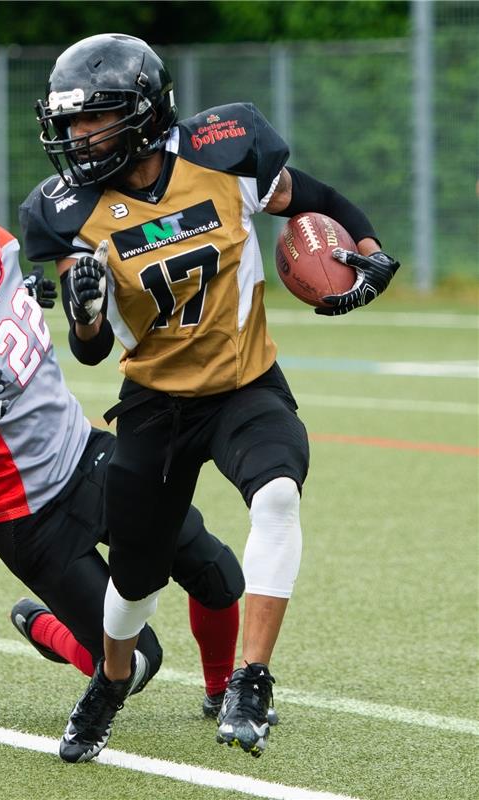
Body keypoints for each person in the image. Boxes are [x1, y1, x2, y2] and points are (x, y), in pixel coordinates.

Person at [20, 33, 400, 762]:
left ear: (139, 113)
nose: (76, 136)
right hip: (153, 403)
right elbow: (91, 350)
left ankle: (250, 680)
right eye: (69, 122)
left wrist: (370, 252)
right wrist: (87, 313)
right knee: (133, 578)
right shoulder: (66, 212)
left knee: (278, 494)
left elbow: (314, 198)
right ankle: (111, 678)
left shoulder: (222, 153)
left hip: (242, 386)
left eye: (91, 119)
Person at [0, 176, 250, 722]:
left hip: (85, 453)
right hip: (26, 516)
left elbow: (11, 300)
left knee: (215, 572)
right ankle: (47, 626)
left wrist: (46, 296)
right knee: (136, 661)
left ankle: (218, 695)